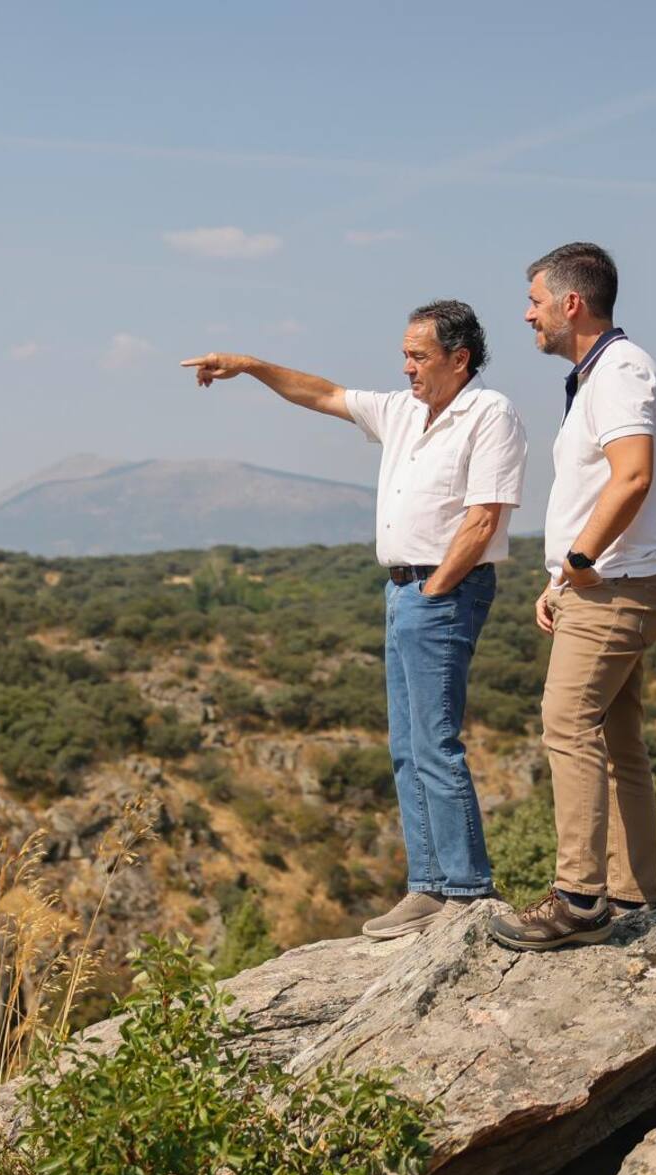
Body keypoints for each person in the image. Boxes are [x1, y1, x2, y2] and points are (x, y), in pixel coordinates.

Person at [182, 301, 527, 938]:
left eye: (418, 356)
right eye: (405, 355)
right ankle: (429, 887)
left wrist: (436, 590)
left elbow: (484, 518)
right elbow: (321, 393)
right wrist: (250, 365)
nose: (406, 368)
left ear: (459, 358)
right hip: (403, 590)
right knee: (406, 746)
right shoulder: (401, 411)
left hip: (443, 590)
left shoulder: (490, 413)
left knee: (435, 739)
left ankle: (467, 889)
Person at [490, 243, 656, 952]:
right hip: (603, 584)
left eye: (534, 300)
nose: (527, 313)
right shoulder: (599, 374)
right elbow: (596, 490)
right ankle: (630, 891)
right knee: (617, 737)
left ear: (571, 303)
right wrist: (559, 578)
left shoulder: (622, 370)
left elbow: (631, 477)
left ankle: (579, 900)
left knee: (566, 723)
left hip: (616, 587)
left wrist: (578, 559)